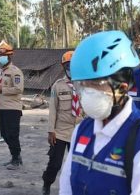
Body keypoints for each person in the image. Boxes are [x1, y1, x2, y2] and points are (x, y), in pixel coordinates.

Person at [59, 31, 140, 195]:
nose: (86, 92)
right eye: (82, 85)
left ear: (122, 88)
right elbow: (66, 188)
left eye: (95, 84)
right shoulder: (81, 130)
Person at [42, 51, 82, 195]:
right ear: (63, 67)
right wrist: (50, 130)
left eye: (73, 65)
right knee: (55, 163)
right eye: (67, 65)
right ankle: (47, 183)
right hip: (60, 131)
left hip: (78, 131)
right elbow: (52, 109)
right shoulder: (58, 86)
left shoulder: (84, 84)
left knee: (78, 164)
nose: (70, 68)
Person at [0, 41, 24, 170]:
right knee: (4, 134)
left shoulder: (15, 72)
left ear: (10, 56)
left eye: (3, 55)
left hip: (12, 108)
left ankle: (16, 159)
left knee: (12, 134)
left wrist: (2, 90)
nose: (1, 57)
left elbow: (19, 89)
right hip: (2, 107)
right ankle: (15, 156)